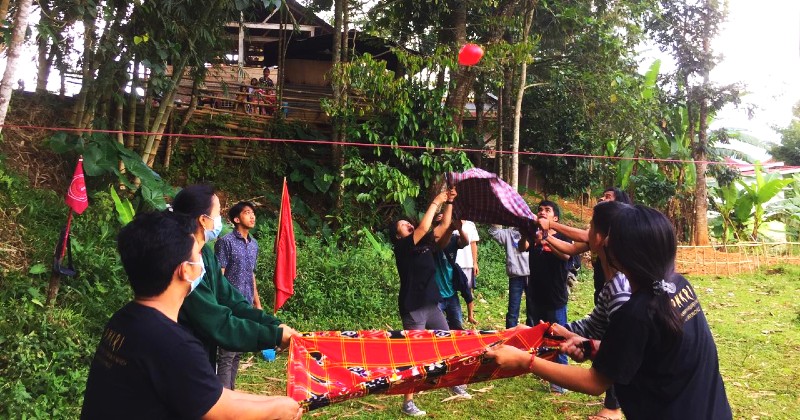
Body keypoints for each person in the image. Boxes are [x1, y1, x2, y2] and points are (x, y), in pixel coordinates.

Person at [487, 205, 732, 420]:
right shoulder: (677, 284)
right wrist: (592, 346)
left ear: (618, 252)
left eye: (593, 227)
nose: (592, 234)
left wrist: (525, 361)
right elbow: (652, 350)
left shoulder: (635, 312)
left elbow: (595, 382)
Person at [81, 210, 302, 419]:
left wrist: (276, 401)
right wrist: (278, 409)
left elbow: (212, 393)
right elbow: (218, 410)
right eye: (198, 254)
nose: (202, 261)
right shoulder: (173, 343)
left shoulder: (125, 319)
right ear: (185, 270)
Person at [172, 185, 298, 371]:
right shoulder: (185, 264)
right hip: (182, 354)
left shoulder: (205, 253)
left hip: (202, 351)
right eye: (217, 214)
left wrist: (272, 323)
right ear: (203, 220)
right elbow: (217, 322)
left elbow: (230, 299)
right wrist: (273, 335)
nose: (220, 220)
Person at [390, 188, 471, 417]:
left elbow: (444, 226)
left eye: (409, 223)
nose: (409, 225)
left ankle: (453, 381)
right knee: (413, 355)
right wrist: (438, 199)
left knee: (446, 344)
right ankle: (408, 403)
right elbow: (424, 226)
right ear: (398, 236)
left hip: (432, 305)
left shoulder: (424, 242)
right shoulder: (402, 248)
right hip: (413, 308)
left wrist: (450, 202)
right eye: (404, 225)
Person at [550, 201, 631, 420]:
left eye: (591, 226)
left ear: (598, 238)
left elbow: (624, 351)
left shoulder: (619, 289)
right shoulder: (613, 284)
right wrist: (548, 332)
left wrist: (529, 361)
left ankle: (613, 408)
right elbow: (593, 325)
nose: (586, 231)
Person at [518, 200, 572, 394]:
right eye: (539, 210)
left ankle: (562, 383)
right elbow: (521, 247)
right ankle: (545, 373)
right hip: (536, 295)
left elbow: (567, 256)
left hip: (555, 297)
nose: (542, 212)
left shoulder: (564, 236)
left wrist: (546, 237)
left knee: (559, 339)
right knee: (540, 337)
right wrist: (527, 231)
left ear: (555, 218)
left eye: (547, 210)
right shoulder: (533, 236)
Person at [214, 201, 261, 390]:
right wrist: (218, 304)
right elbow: (219, 275)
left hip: (246, 303)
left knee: (238, 350)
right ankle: (224, 398)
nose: (252, 216)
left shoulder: (254, 244)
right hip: (229, 305)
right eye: (247, 213)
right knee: (226, 353)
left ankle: (230, 393)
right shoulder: (226, 242)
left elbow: (252, 275)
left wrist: (257, 303)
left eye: (253, 213)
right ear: (236, 219)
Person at [488, 225, 530, 328]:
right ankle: (510, 336)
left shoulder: (532, 230)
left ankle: (533, 335)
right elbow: (494, 232)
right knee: (513, 310)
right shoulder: (508, 233)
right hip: (515, 275)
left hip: (531, 274)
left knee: (533, 309)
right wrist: (499, 216)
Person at [453, 220, 480, 290]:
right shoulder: (450, 223)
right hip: (453, 263)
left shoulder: (471, 225)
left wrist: (475, 263)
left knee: (468, 289)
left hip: (467, 263)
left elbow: (473, 244)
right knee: (452, 288)